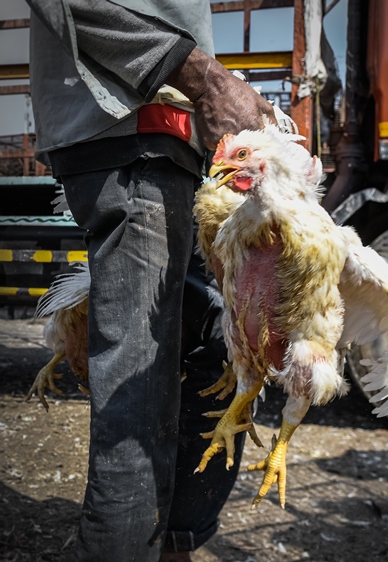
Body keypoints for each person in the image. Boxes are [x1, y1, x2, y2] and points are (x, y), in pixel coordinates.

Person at [25, 1, 276, 561]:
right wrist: (207, 79)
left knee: (219, 347)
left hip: (180, 145)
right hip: (131, 131)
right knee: (141, 388)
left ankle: (173, 542)